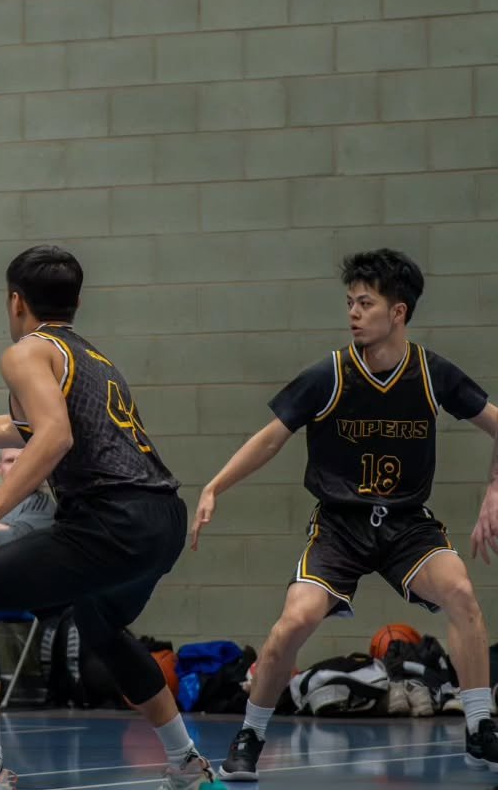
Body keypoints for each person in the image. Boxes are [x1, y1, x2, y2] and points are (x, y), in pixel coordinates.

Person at [0, 245, 225, 790]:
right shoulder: (90, 357)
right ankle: (188, 764)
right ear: (74, 302)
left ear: (15, 302)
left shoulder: (27, 351)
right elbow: (24, 427)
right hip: (162, 517)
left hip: (111, 518)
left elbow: (53, 436)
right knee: (101, 625)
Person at [190, 248, 498, 780]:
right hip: (340, 525)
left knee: (462, 594)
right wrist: (215, 485)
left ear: (397, 313)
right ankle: (250, 736)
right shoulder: (329, 374)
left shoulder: (431, 373)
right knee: (293, 623)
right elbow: (269, 440)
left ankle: (480, 727)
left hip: (406, 523)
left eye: (365, 302)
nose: (353, 313)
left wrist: (493, 488)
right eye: (349, 302)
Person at [0, 447, 55, 545]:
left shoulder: (41, 503)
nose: (16, 465)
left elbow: (17, 539)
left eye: (23, 460)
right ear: (0, 469)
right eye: (10, 460)